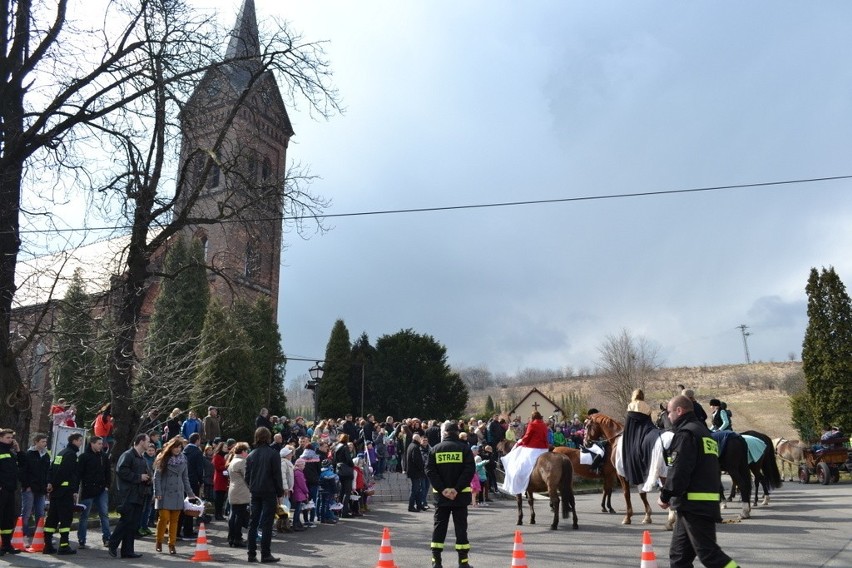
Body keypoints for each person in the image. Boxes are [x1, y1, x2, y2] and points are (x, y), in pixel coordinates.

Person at [657, 395, 740, 568]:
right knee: (679, 557)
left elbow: (679, 470)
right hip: (694, 505)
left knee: (709, 555)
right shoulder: (704, 433)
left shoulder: (686, 434)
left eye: (669, 413)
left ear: (679, 411)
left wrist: (665, 496)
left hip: (695, 506)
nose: (668, 417)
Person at [425, 421, 475, 568]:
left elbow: (430, 471)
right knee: (461, 528)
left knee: (439, 527)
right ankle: (463, 563)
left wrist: (443, 490)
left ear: (445, 433)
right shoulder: (464, 449)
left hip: (441, 498)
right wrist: (456, 489)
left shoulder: (435, 449)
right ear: (457, 432)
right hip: (460, 497)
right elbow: (469, 471)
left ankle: (436, 562)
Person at [108, 434, 152, 559]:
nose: (149, 444)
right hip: (127, 494)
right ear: (141, 441)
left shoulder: (142, 459)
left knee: (133, 524)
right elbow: (122, 471)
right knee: (126, 521)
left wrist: (147, 480)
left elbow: (144, 474)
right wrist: (139, 477)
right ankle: (112, 543)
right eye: (148, 441)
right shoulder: (128, 455)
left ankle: (127, 551)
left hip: (139, 494)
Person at [245, 427, 285, 563]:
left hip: (255, 491)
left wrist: (252, 487)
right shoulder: (273, 454)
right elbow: (277, 476)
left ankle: (251, 554)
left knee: (253, 523)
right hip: (269, 491)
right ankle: (265, 554)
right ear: (268, 437)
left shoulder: (251, 455)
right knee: (267, 524)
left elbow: (247, 476)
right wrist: (279, 493)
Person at [153, 437, 197, 555]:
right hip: (164, 493)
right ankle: (159, 540)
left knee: (174, 520)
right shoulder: (162, 458)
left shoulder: (184, 459)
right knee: (164, 518)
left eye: (179, 447)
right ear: (170, 447)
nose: (178, 450)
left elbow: (185, 478)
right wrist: (157, 492)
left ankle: (172, 544)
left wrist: (190, 493)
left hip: (178, 493)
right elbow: (156, 477)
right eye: (175, 447)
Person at [43, 432, 83, 555]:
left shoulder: (61, 453)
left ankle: (48, 545)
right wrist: (71, 490)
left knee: (52, 519)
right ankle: (64, 546)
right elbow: (64, 473)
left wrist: (50, 483)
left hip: (56, 493)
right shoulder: (71, 455)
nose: (81, 443)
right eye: (80, 440)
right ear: (74, 441)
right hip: (64, 493)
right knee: (66, 519)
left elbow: (52, 469)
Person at [499, 411, 549, 495]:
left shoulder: (532, 424)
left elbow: (527, 436)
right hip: (544, 448)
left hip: (534, 448)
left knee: (521, 462)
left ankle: (519, 479)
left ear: (533, 417)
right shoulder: (544, 425)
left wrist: (520, 443)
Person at [77, 436, 112, 549]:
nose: (101, 446)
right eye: (98, 443)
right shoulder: (84, 457)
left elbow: (108, 472)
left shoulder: (104, 456)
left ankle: (107, 538)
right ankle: (82, 539)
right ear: (92, 444)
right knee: (84, 516)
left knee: (104, 514)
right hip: (88, 490)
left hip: (101, 489)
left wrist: (107, 485)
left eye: (101, 444)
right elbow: (79, 474)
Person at [18, 432, 49, 543]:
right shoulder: (29, 455)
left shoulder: (46, 455)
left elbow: (47, 472)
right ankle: (24, 535)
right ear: (36, 442)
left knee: (40, 513)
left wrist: (46, 485)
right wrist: (26, 485)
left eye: (46, 442)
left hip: (41, 489)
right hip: (30, 488)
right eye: (42, 442)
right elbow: (24, 472)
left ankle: (39, 536)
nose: (45, 444)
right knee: (26, 512)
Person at [0, 428, 21, 556]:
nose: (11, 440)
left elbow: (23, 464)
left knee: (8, 518)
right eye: (8, 437)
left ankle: (6, 545)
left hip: (10, 489)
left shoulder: (11, 452)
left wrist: (18, 450)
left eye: (11, 437)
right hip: (2, 489)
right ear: (0, 438)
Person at [180, 432, 205, 538]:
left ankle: (181, 529)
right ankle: (188, 530)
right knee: (191, 506)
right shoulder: (197, 452)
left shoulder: (184, 450)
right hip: (193, 481)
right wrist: (201, 480)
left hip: (182, 480)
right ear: (197, 440)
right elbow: (200, 469)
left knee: (183, 506)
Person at [227, 442, 251, 547]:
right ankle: (237, 538)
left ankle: (231, 537)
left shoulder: (232, 461)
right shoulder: (242, 462)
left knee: (233, 515)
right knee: (239, 516)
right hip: (241, 490)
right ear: (243, 451)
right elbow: (247, 477)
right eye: (247, 451)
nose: (247, 453)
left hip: (233, 490)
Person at [333, 433, 357, 518]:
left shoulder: (336, 447)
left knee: (341, 491)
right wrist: (352, 465)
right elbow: (349, 460)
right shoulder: (345, 447)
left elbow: (334, 460)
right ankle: (344, 511)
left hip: (339, 470)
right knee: (347, 492)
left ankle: (338, 511)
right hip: (346, 471)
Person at [406, 434, 429, 512]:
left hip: (413, 471)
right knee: (415, 489)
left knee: (418, 489)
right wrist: (422, 468)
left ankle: (419, 505)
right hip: (415, 472)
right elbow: (416, 460)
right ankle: (411, 506)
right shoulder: (415, 447)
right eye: (420, 438)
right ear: (418, 439)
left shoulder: (411, 445)